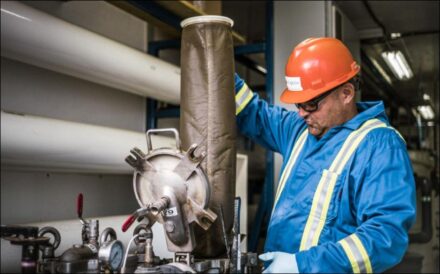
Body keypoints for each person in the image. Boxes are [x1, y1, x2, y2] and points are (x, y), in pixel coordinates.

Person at [234, 37, 416, 273]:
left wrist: (302, 265)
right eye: (298, 104)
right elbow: (252, 113)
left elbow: (386, 236)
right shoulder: (298, 130)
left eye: (310, 104)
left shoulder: (379, 146)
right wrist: (216, 61)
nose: (301, 113)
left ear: (347, 93)